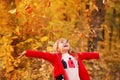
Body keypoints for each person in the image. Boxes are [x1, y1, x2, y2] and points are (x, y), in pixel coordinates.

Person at [19, 38, 100, 80]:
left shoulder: (76, 55)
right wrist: (27, 52)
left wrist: (98, 55)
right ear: (57, 48)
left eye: (66, 42)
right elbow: (42, 55)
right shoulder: (55, 57)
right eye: (62, 42)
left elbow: (88, 55)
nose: (65, 43)